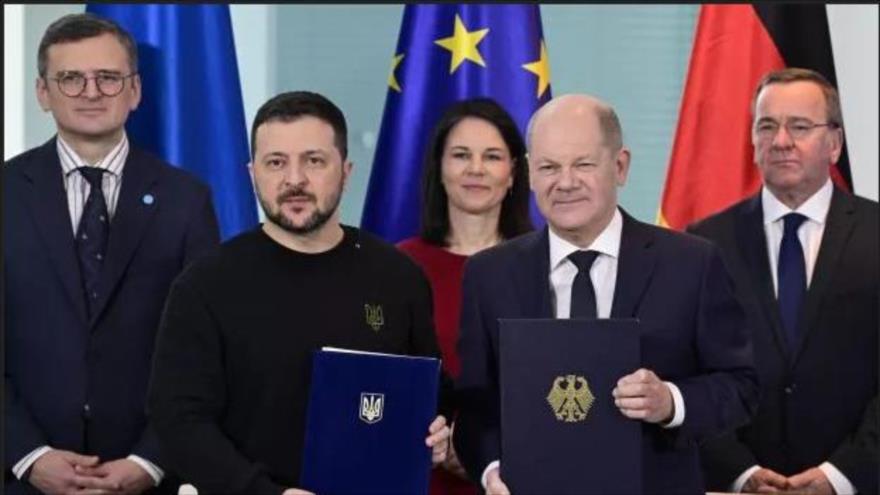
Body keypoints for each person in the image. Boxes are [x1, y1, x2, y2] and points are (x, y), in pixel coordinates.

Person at [147, 91, 451, 494]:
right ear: (252, 172)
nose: (294, 180)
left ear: (346, 170)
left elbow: (427, 390)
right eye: (276, 163)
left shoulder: (398, 275)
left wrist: (438, 429)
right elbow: (179, 422)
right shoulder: (205, 284)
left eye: (314, 160)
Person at [453, 93, 759, 494]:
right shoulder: (489, 274)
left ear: (620, 166)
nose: (565, 183)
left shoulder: (691, 264)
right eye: (549, 167)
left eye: (583, 164)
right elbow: (476, 406)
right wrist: (492, 469)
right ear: (529, 172)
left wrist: (670, 401)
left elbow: (742, 386)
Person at [3, 13, 219, 494]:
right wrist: (27, 454)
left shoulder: (187, 201)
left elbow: (205, 352)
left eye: (108, 77)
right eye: (71, 78)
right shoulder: (6, 193)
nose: (91, 91)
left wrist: (151, 460)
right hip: (22, 478)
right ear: (43, 92)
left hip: (145, 477)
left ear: (135, 90)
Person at [689, 67, 878, 495]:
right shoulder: (703, 243)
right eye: (767, 126)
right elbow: (691, 374)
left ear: (834, 143)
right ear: (753, 141)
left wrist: (841, 474)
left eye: (799, 126)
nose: (781, 141)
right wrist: (739, 472)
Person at [398, 98, 533, 494]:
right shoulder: (399, 266)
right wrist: (444, 441)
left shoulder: (546, 265)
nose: (476, 169)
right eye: (460, 155)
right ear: (439, 169)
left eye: (492, 156)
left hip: (519, 478)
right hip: (422, 473)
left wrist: (484, 452)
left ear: (512, 174)